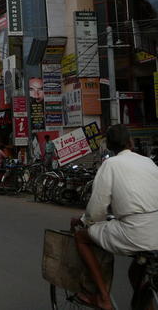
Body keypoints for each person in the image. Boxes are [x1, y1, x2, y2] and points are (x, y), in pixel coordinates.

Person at [71, 125, 158, 309]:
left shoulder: (110, 165)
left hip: (134, 231)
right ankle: (145, 300)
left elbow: (96, 210)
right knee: (137, 270)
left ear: (109, 146)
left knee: (81, 237)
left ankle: (103, 297)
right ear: (131, 143)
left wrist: (83, 221)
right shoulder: (148, 162)